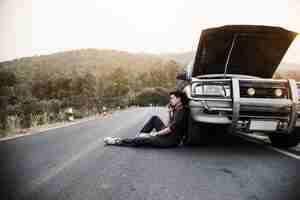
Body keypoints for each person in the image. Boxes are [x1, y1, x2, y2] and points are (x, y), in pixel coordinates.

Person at [103, 90, 189, 147]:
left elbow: (170, 129)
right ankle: (139, 137)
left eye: (172, 98)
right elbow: (169, 124)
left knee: (143, 140)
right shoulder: (176, 109)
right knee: (154, 118)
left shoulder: (182, 112)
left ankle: (117, 141)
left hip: (170, 140)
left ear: (179, 99)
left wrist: (156, 134)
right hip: (168, 134)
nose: (170, 100)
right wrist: (170, 113)